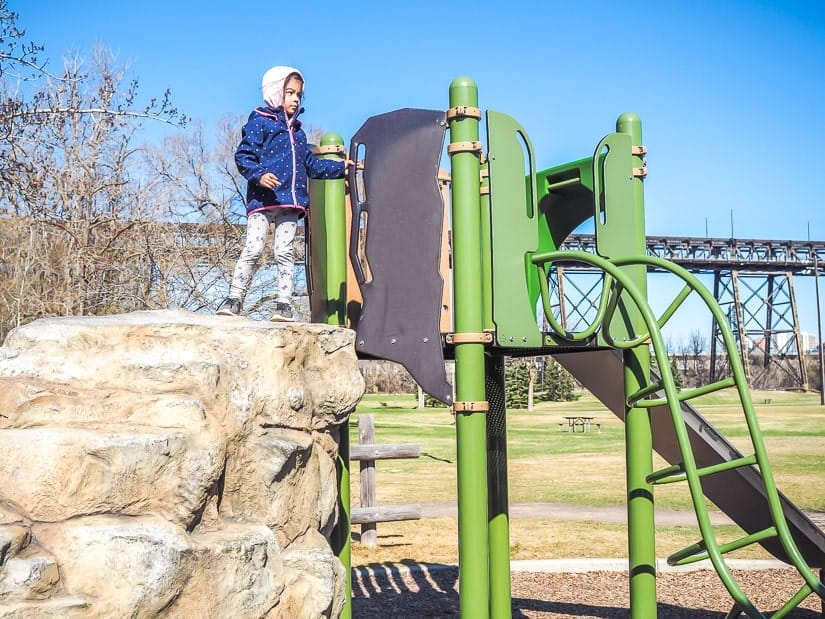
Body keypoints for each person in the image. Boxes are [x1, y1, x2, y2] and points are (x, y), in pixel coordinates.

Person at [217, 65, 350, 321]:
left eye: (298, 95)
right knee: (254, 248)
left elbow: (311, 166)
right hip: (264, 200)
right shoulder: (260, 122)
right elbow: (243, 155)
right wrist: (259, 175)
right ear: (275, 92)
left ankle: (284, 304)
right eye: (289, 93)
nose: (295, 99)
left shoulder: (298, 133)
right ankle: (234, 298)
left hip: (291, 203)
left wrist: (340, 168)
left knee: (284, 251)